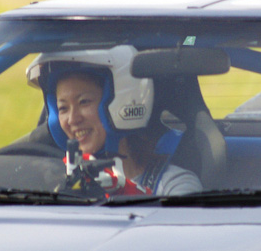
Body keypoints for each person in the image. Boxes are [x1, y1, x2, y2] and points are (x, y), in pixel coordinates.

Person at [26, 45, 202, 196]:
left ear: (123, 102)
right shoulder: (54, 182)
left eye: (84, 102)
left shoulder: (175, 185)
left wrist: (129, 193)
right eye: (63, 108)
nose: (72, 119)